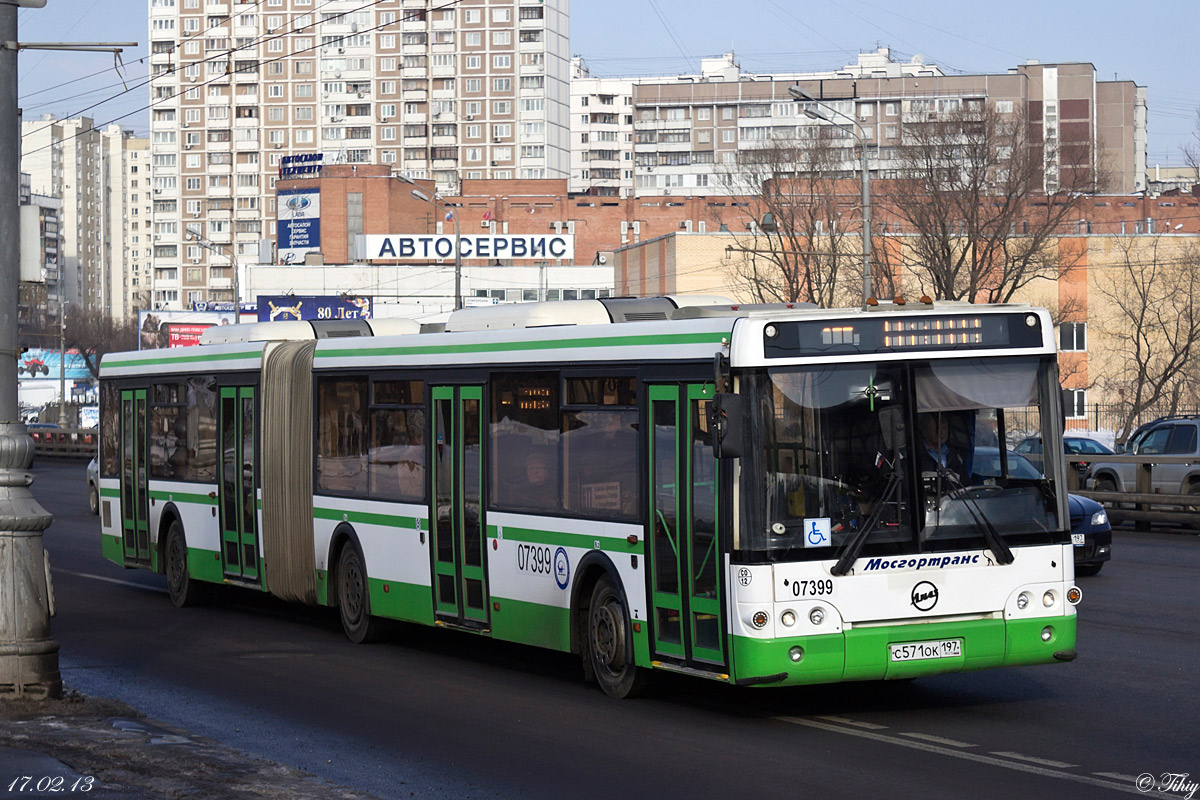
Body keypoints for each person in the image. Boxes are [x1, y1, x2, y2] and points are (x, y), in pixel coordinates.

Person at [917, 413, 967, 481]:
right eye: (936, 428)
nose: (941, 432)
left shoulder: (956, 457)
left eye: (944, 428)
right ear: (924, 431)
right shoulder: (915, 457)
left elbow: (967, 486)